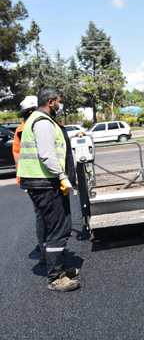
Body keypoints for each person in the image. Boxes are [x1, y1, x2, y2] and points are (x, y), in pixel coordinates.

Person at [17, 87, 80, 292]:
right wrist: (62, 176)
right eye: (59, 101)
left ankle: (57, 268)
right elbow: (46, 154)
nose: (60, 105)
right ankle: (55, 277)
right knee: (58, 229)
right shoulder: (43, 122)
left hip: (41, 182)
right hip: (46, 183)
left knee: (52, 226)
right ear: (51, 102)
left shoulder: (37, 119)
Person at [13, 95, 48, 265]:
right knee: (44, 216)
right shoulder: (34, 127)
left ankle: (45, 246)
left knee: (41, 215)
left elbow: (17, 156)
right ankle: (46, 250)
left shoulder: (21, 128)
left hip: (30, 178)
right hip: (40, 178)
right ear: (32, 111)